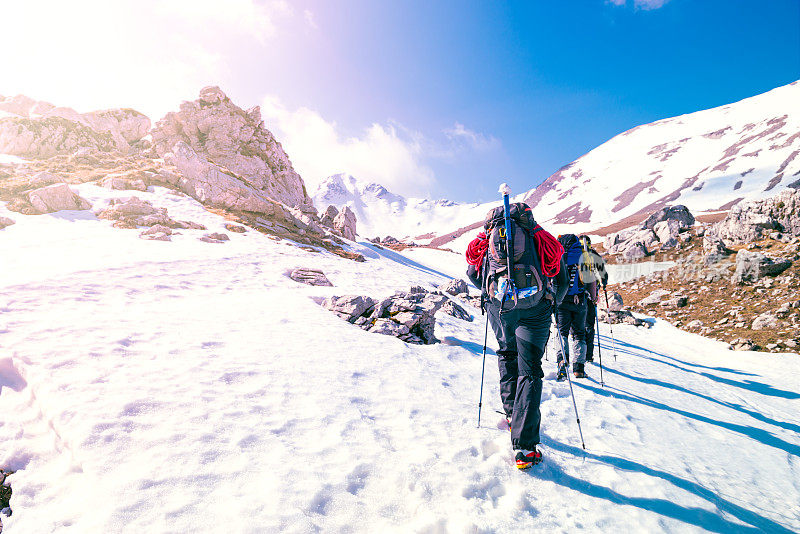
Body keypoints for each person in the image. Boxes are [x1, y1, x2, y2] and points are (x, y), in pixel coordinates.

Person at [466, 202, 567, 469]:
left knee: (506, 354)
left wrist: (492, 296)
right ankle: (525, 448)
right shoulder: (540, 238)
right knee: (530, 370)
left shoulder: (486, 240)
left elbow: (472, 273)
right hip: (535, 311)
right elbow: (562, 278)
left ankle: (512, 413)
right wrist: (550, 301)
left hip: (500, 309)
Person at [555, 234, 589, 379]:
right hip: (580, 301)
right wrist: (593, 298)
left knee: (562, 332)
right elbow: (591, 280)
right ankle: (579, 369)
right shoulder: (583, 256)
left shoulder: (558, 256)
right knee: (579, 333)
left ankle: (562, 362)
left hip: (562, 300)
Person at [578, 235, 608, 363]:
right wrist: (604, 285)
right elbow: (603, 273)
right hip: (591, 293)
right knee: (589, 324)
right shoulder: (593, 254)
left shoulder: (574, 254)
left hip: (576, 294)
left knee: (577, 325)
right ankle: (589, 355)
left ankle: (576, 355)